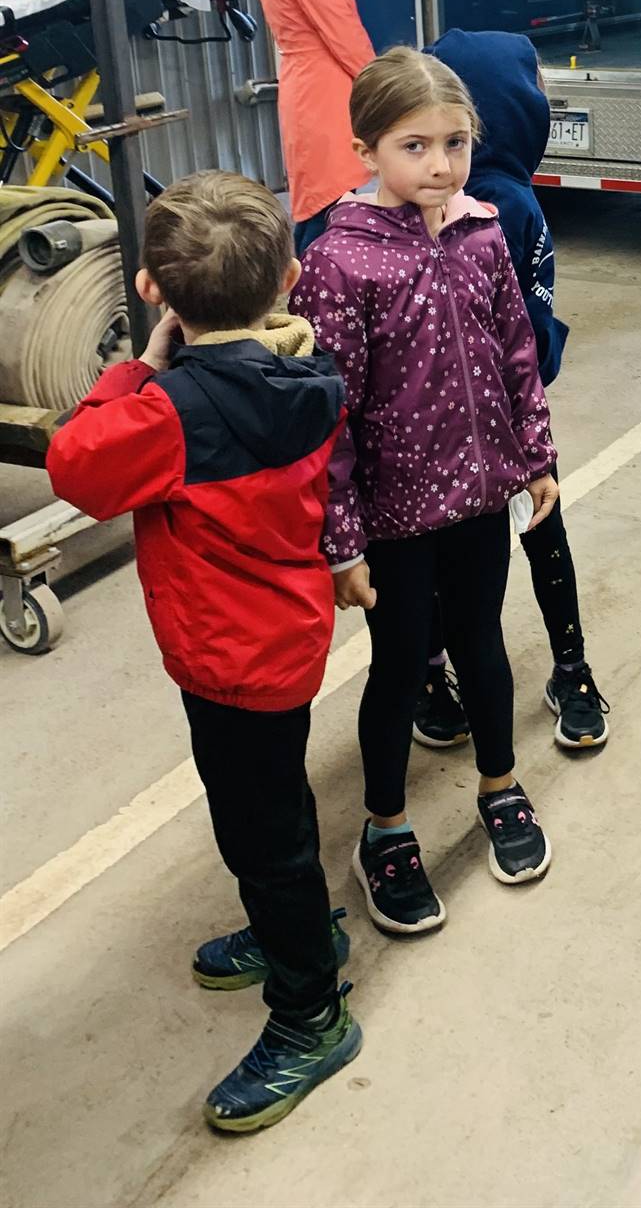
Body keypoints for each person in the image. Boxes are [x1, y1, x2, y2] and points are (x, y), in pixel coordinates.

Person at [46, 172, 361, 1134]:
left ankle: (311, 1012)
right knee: (270, 807)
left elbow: (75, 464)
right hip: (282, 642)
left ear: (152, 289)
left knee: (261, 832)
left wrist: (141, 365)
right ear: (290, 277)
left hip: (226, 659)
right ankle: (292, 931)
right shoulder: (309, 376)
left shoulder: (167, 414)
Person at [293, 48, 560, 936]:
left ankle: (499, 785)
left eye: (456, 143)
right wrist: (343, 539)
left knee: (484, 645)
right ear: (367, 147)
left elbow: (519, 352)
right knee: (402, 667)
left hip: (481, 499)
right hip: (397, 517)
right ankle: (386, 827)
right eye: (416, 146)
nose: (440, 166)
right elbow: (331, 414)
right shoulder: (340, 260)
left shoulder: (483, 232)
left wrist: (537, 455)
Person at [419, 27, 609, 751]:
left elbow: (526, 323)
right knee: (501, 544)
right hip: (446, 430)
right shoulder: (464, 202)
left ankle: (560, 668)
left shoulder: (507, 204)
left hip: (509, 420)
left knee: (522, 534)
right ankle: (554, 667)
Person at [231, 0, 375, 252]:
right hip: (327, 89)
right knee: (332, 203)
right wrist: (383, 84)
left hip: (305, 86)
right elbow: (342, 30)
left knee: (319, 199)